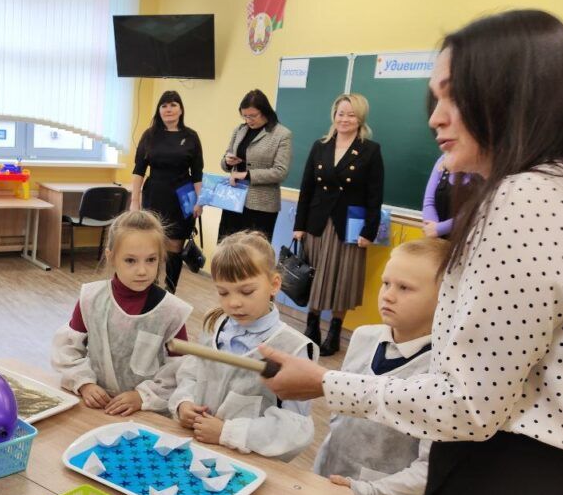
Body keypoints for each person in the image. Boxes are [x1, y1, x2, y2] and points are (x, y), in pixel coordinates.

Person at [259, 10, 563, 495]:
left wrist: (326, 383)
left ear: (511, 92)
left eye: (454, 94)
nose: (436, 117)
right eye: (434, 96)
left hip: (526, 489)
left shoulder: (530, 199)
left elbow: (468, 404)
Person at [295, 237, 448, 495]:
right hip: (336, 488)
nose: (388, 296)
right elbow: (343, 415)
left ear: (446, 298)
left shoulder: (442, 372)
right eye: (386, 284)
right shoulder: (363, 338)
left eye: (406, 288)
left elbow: (428, 468)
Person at [167, 230, 316, 495]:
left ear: (273, 284)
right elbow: (190, 373)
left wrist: (230, 431)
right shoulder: (216, 327)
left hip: (253, 476)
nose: (234, 302)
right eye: (224, 292)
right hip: (203, 462)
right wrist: (184, 404)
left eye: (246, 291)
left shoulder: (294, 349)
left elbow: (296, 429)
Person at [51, 210, 192, 416]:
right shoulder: (91, 298)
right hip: (96, 406)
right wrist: (84, 383)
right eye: (130, 261)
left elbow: (180, 369)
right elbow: (68, 351)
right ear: (111, 257)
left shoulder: (171, 311)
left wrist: (142, 396)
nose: (142, 270)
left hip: (146, 411)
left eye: (151, 260)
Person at [293, 93, 384, 356]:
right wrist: (299, 225)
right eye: (341, 113)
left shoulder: (370, 149)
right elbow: (306, 188)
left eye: (351, 114)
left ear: (360, 118)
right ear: (334, 115)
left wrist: (369, 231)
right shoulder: (320, 145)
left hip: (350, 227)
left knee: (343, 279)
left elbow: (375, 196)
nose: (344, 119)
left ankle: (334, 330)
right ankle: (311, 327)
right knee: (315, 277)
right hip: (317, 223)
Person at [130, 90, 204, 292]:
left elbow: (197, 173)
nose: (168, 109)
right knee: (151, 244)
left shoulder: (191, 136)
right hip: (155, 195)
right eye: (164, 105)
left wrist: (200, 201)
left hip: (183, 199)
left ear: (181, 110)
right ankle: (149, 288)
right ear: (159, 110)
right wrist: (134, 200)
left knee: (175, 247)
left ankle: (170, 291)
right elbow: (139, 170)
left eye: (173, 105)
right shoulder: (150, 135)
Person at [217, 89, 293, 242]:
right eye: (245, 116)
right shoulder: (240, 130)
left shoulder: (282, 134)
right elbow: (225, 162)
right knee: (228, 249)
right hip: (234, 200)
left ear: (265, 112)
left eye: (253, 116)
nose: (248, 120)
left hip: (262, 206)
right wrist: (227, 161)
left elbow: (280, 172)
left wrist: (246, 175)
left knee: (253, 253)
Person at [420, 153, 477, 238]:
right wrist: (433, 231)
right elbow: (429, 202)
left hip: (466, 240)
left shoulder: (482, 168)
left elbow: (473, 211)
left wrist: (439, 229)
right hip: (435, 238)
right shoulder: (443, 160)